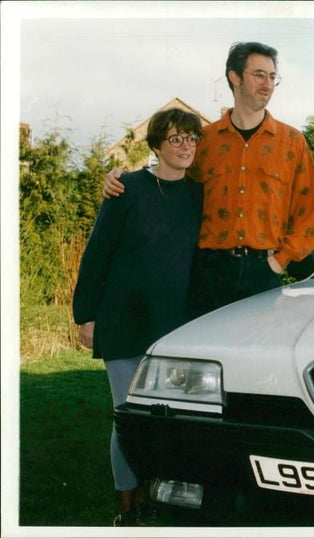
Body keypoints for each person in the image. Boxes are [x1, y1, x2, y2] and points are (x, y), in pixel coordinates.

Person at [103, 42, 314, 316]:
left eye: (272, 76)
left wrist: (279, 261)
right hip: (208, 275)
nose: (268, 84)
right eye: (259, 75)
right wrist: (122, 177)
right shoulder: (203, 141)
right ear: (235, 77)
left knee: (257, 357)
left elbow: (307, 216)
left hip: (263, 273)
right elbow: (170, 187)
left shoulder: (292, 143)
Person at [73, 108, 205, 526]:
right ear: (156, 146)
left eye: (192, 139)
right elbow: (98, 254)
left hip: (173, 326)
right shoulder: (126, 188)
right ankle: (126, 508)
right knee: (128, 419)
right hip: (122, 321)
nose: (186, 147)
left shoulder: (200, 196)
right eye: (176, 139)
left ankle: (157, 497)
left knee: (169, 420)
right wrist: (85, 315)